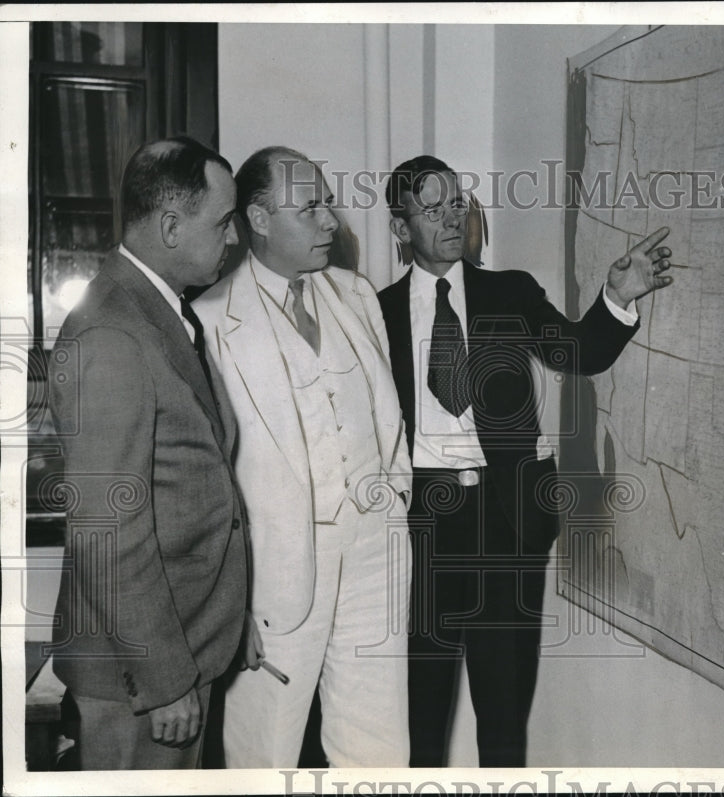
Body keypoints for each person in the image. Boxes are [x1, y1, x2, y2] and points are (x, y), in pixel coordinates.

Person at [377, 155, 673, 767]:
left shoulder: (509, 291)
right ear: (400, 228)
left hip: (505, 520)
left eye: (457, 203)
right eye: (432, 209)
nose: (452, 218)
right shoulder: (373, 313)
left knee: (504, 711)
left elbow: (578, 353)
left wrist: (617, 296)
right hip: (422, 524)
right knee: (421, 709)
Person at [194, 147, 411, 768]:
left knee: (378, 745)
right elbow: (212, 481)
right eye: (310, 208)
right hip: (277, 578)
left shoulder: (355, 294)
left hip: (374, 557)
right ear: (259, 219)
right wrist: (234, 603)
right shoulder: (209, 322)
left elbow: (388, 417)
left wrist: (395, 498)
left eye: (327, 204)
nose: (330, 222)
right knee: (264, 753)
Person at [47, 137, 248, 770]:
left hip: (179, 644)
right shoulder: (113, 330)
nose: (233, 238)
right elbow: (106, 528)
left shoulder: (153, 310)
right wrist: (163, 679)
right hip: (140, 674)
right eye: (222, 222)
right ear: (170, 227)